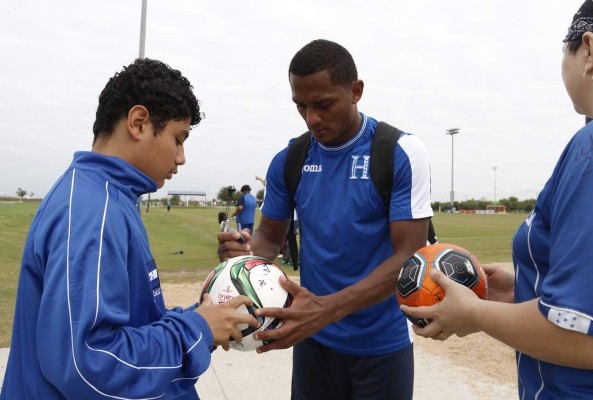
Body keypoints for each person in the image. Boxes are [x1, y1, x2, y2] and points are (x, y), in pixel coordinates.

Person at [0, 58, 258, 400]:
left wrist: (200, 317)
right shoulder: (94, 210)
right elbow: (87, 362)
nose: (181, 158)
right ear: (138, 123)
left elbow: (129, 323)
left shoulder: (110, 197)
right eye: (178, 139)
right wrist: (197, 329)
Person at [400, 2, 593, 398]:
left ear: (589, 49)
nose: (562, 61)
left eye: (565, 49)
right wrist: (522, 291)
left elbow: (585, 337)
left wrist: (474, 313)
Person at [218, 39, 433, 399]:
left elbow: (409, 258)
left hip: (380, 344)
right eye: (300, 106)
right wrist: (247, 256)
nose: (311, 118)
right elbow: (270, 236)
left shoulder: (399, 152)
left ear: (356, 91)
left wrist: (325, 310)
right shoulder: (290, 159)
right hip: (313, 339)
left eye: (323, 104)